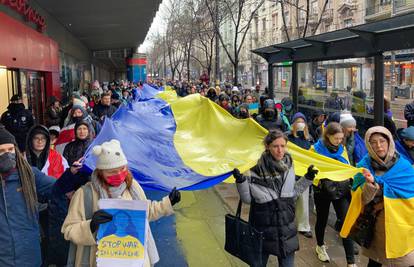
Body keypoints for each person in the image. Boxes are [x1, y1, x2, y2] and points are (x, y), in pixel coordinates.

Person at [62, 139, 182, 267]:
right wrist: (91, 226)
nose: (119, 175)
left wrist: (168, 203)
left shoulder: (132, 187)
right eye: (112, 172)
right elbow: (68, 230)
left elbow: (146, 212)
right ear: (101, 172)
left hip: (134, 258)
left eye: (122, 169)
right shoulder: (84, 194)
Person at [233, 130, 318, 267]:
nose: (280, 150)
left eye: (283, 146)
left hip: (286, 230)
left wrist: (307, 178)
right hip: (262, 230)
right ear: (267, 146)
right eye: (275, 146)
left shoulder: (289, 165)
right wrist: (241, 181)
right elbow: (247, 200)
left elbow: (292, 194)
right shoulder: (254, 169)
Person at [349, 126, 414, 266]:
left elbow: (411, 196)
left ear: (389, 141)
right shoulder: (363, 167)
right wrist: (371, 185)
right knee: (375, 261)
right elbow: (360, 199)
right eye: (373, 142)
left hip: (400, 225)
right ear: (368, 144)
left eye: (382, 141)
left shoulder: (404, 166)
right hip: (376, 226)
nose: (378, 146)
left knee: (405, 261)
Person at [0, 127, 58, 266]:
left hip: (28, 253)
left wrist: (74, 175)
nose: (7, 154)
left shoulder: (29, 174)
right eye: (2, 151)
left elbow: (58, 187)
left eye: (10, 149)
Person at [311, 122, 356, 266]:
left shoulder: (342, 148)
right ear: (328, 136)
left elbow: (346, 166)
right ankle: (320, 246)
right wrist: (319, 182)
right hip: (323, 190)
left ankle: (351, 262)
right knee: (322, 220)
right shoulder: (315, 149)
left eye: (341, 138)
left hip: (341, 190)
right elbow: (311, 169)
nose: (339, 141)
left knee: (345, 222)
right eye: (336, 138)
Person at [287, 113, 313, 238]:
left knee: (303, 201)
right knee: (288, 199)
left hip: (304, 174)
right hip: (290, 171)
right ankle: (287, 222)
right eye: (297, 121)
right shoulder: (287, 136)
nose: (300, 123)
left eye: (302, 121)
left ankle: (303, 226)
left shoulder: (309, 138)